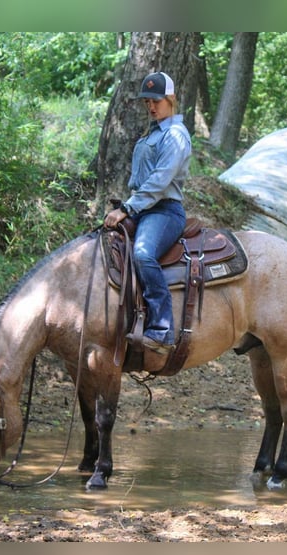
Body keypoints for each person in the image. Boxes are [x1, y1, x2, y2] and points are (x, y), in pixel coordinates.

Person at [104, 71, 192, 355]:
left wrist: (127, 208)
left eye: (156, 101)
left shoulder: (176, 135)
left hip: (164, 211)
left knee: (142, 253)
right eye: (147, 102)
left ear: (171, 99)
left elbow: (160, 181)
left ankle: (163, 329)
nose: (151, 107)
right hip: (143, 207)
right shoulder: (152, 133)